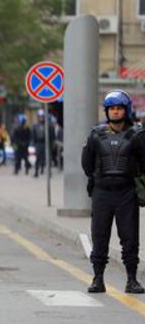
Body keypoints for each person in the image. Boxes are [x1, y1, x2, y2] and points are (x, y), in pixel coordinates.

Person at [82, 90, 145, 294]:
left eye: (119, 108)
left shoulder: (137, 135)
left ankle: (132, 279)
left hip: (126, 193)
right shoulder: (95, 135)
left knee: (130, 238)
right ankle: (98, 278)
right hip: (102, 192)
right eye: (112, 109)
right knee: (99, 237)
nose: (115, 112)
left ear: (125, 110)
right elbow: (87, 164)